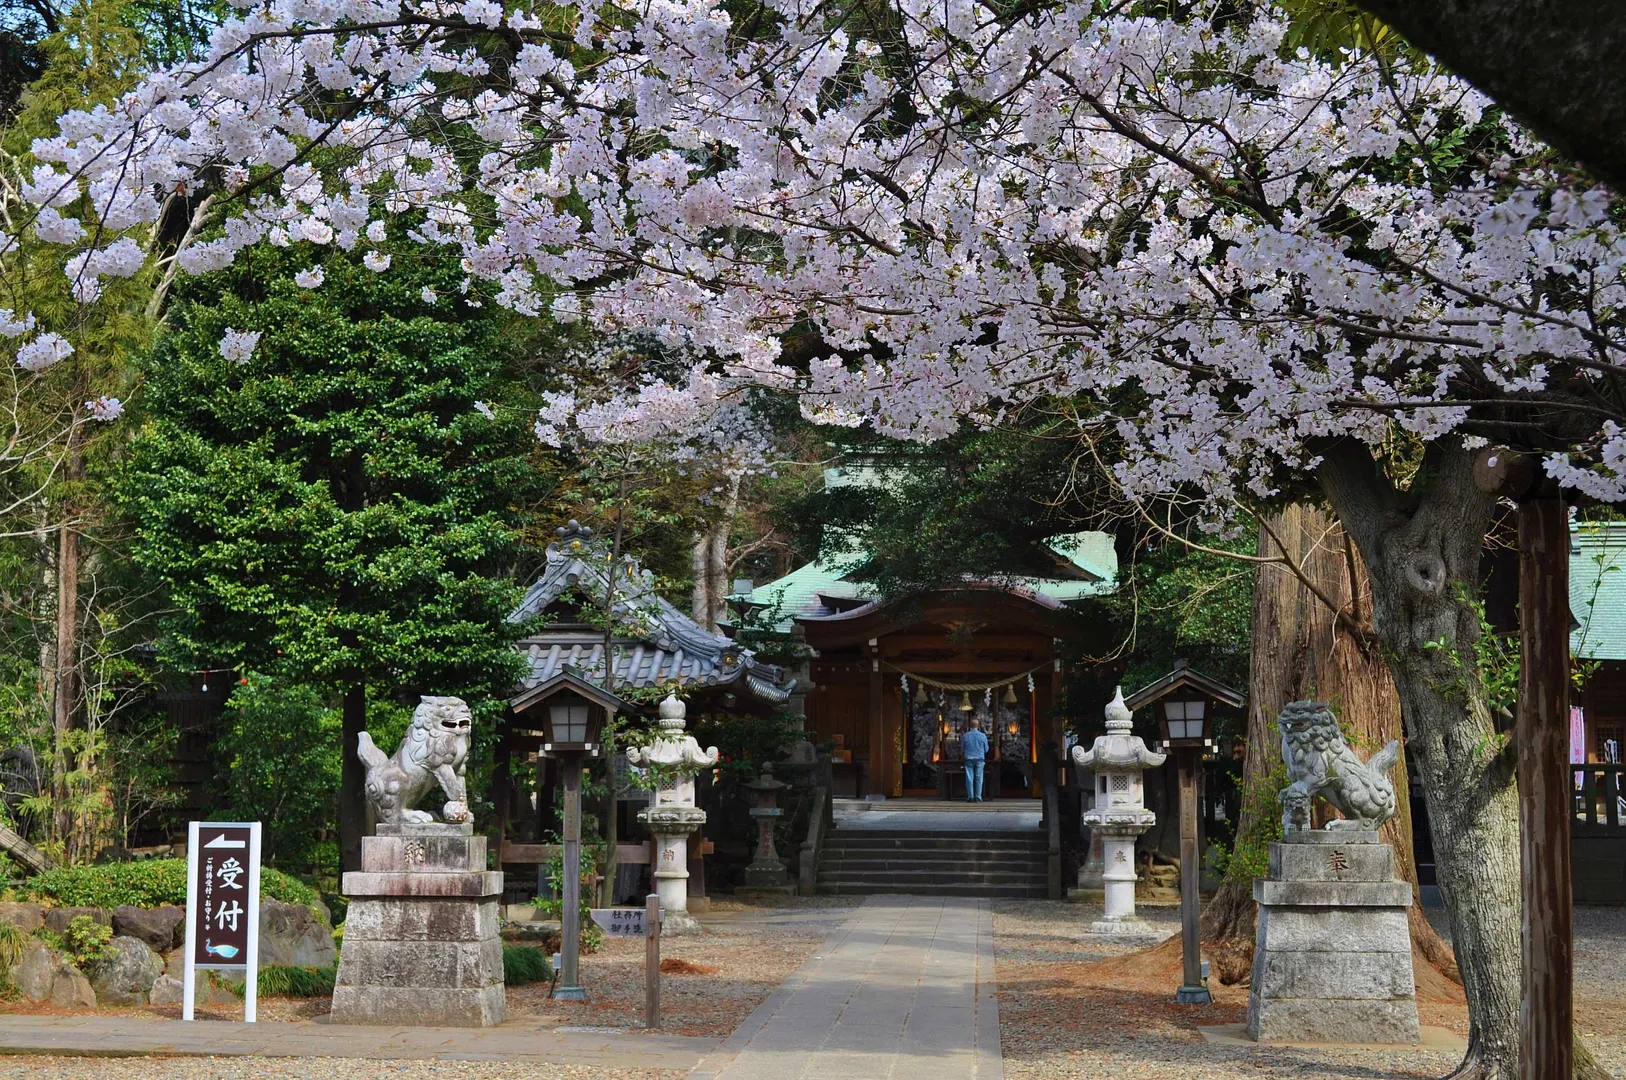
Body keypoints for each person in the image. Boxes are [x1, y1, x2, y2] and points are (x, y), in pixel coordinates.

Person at [961, 717, 989, 802]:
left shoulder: (965, 736)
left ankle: (970, 797)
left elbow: (962, 748)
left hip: (968, 758)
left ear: (970, 725)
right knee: (979, 778)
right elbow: (986, 749)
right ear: (978, 726)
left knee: (969, 777)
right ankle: (978, 797)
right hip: (979, 759)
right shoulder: (983, 736)